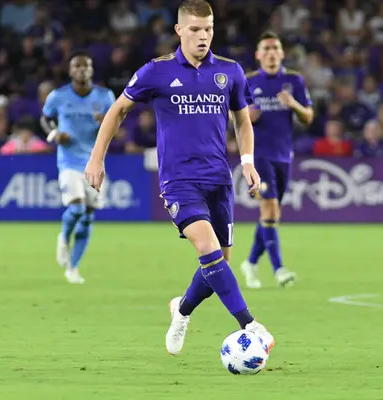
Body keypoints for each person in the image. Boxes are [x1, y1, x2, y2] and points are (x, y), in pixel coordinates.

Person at [84, 0, 274, 356]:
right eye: (196, 30)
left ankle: (181, 310)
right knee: (207, 248)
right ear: (179, 30)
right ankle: (250, 324)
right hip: (178, 181)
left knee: (220, 265)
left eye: (209, 29)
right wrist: (97, 159)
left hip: (218, 179)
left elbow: (243, 120)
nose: (203, 36)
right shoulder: (156, 71)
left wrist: (247, 161)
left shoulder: (230, 72)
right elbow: (117, 110)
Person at [240, 31, 314, 289]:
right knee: (270, 209)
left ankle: (250, 262)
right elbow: (230, 115)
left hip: (284, 155)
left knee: (272, 213)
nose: (271, 53)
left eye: (276, 48)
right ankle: (279, 269)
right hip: (258, 156)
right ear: (258, 55)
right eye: (266, 49)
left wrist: (293, 104)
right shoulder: (247, 82)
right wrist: (245, 116)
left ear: (282, 53)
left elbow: (308, 117)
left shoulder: (294, 81)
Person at [41, 52, 116, 284]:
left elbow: (116, 125)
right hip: (69, 162)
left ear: (92, 70)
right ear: (71, 71)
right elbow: (45, 118)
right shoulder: (58, 96)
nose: (82, 70)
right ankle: (64, 237)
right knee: (76, 209)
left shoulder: (105, 96)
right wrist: (54, 134)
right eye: (77, 66)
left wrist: (105, 122)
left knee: (88, 217)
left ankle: (73, 268)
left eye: (86, 66)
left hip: (94, 162)